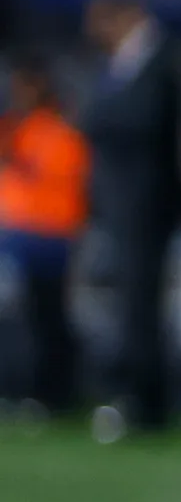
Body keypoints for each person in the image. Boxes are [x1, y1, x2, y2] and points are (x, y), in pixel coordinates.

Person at [80, 0, 181, 438]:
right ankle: (136, 398)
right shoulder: (120, 63)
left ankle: (142, 403)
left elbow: (144, 121)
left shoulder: (159, 60)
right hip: (121, 204)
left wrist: (97, 118)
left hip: (147, 206)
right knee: (127, 303)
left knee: (140, 306)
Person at [0, 58, 90, 410]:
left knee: (45, 318)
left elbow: (65, 178)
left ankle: (48, 393)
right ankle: (17, 388)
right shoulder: (14, 126)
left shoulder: (60, 130)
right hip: (14, 234)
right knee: (17, 319)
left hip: (49, 236)